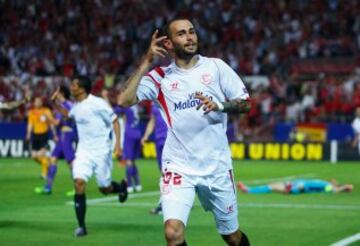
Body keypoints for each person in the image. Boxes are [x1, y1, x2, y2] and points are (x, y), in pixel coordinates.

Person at [118, 18, 251, 246]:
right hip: (179, 166)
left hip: (216, 166)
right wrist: (146, 61)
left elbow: (245, 103)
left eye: (192, 32)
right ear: (168, 44)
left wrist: (220, 105)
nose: (189, 37)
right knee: (173, 232)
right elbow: (124, 100)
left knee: (231, 236)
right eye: (181, 34)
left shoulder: (216, 67)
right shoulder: (160, 77)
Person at [54, 75, 128, 237]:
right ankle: (81, 227)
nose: (71, 87)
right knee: (79, 183)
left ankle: (121, 187)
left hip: (102, 152)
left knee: (104, 188)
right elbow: (69, 115)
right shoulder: (77, 106)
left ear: (82, 88)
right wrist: (56, 104)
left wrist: (117, 145)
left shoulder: (98, 103)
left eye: (73, 85)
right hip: (83, 152)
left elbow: (115, 121)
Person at [34, 85, 77, 195]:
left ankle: (77, 188)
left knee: (71, 163)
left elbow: (57, 122)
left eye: (56, 92)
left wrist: (48, 118)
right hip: (61, 136)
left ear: (61, 93)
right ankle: (47, 188)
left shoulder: (66, 105)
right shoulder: (64, 105)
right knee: (52, 159)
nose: (55, 94)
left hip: (66, 136)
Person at [141, 103, 168, 215]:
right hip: (159, 141)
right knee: (163, 172)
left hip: (171, 141)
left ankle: (163, 205)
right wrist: (146, 135)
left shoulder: (171, 96)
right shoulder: (154, 102)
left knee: (166, 173)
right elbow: (152, 120)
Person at [26, 96, 58, 179]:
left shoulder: (46, 111)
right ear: (34, 103)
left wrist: (54, 134)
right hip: (35, 136)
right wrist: (28, 134)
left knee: (41, 154)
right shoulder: (31, 112)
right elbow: (30, 124)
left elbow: (51, 123)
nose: (38, 103)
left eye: (39, 101)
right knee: (34, 156)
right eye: (36, 101)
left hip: (44, 135)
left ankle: (44, 174)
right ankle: (47, 164)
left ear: (41, 102)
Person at [115, 104, 143, 193]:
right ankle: (138, 184)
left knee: (128, 160)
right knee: (133, 160)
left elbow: (115, 110)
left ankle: (130, 185)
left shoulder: (126, 106)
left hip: (129, 134)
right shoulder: (137, 106)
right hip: (138, 132)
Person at [237, 179, 354, 194]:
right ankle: (249, 189)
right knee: (271, 185)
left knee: (273, 187)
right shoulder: (325, 182)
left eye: (335, 181)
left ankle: (249, 190)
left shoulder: (328, 186)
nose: (333, 180)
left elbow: (334, 190)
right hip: (296, 183)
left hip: (300, 187)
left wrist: (344, 187)